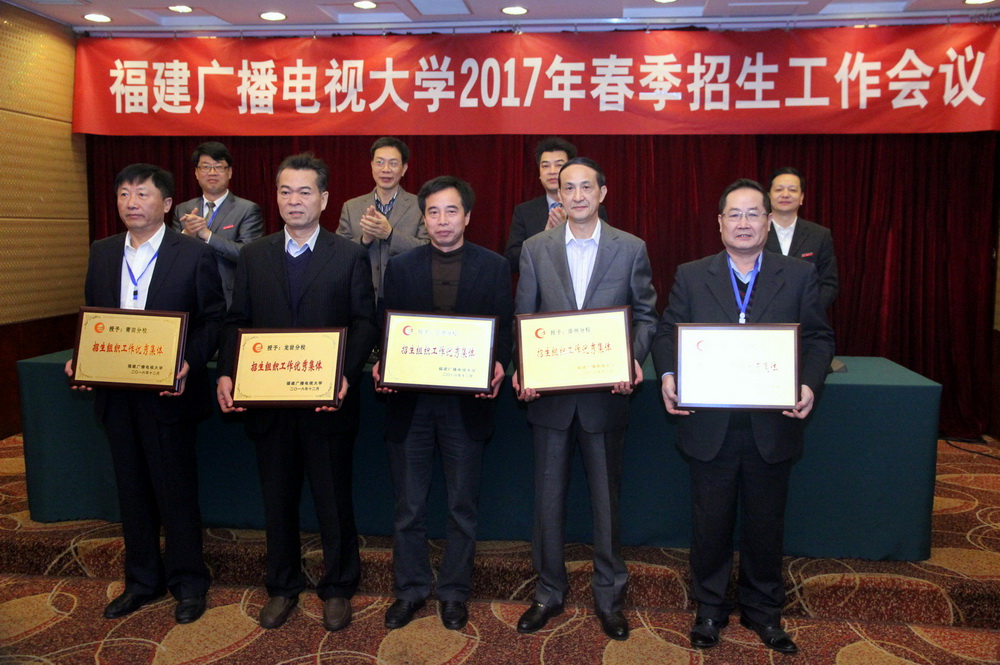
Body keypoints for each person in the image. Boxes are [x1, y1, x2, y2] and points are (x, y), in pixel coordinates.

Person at [652, 178, 834, 654]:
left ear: (768, 222)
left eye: (754, 213)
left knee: (765, 524)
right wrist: (668, 374)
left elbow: (818, 339)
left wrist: (809, 384)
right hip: (709, 424)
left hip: (772, 424)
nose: (744, 223)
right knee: (709, 523)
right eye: (734, 214)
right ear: (719, 223)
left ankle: (763, 612)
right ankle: (709, 609)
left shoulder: (798, 275)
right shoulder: (693, 274)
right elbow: (667, 332)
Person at [216, 152, 378, 632]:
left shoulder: (348, 254)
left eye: (305, 192)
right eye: (285, 191)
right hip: (269, 402)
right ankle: (282, 585)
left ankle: (338, 586)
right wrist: (227, 372)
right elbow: (237, 320)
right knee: (277, 498)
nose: (294, 200)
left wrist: (346, 373)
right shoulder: (254, 254)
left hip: (328, 401)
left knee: (333, 500)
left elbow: (364, 322)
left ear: (324, 199)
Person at [65, 163, 225, 624]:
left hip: (168, 396)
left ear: (167, 203)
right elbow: (94, 316)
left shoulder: (192, 254)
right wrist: (82, 357)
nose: (131, 203)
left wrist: (188, 360)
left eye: (142, 194)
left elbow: (213, 318)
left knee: (175, 491)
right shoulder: (102, 251)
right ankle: (141, 581)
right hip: (118, 394)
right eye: (123, 194)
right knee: (131, 490)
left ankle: (188, 582)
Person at [513, 157, 657, 641]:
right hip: (550, 399)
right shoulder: (535, 249)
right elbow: (524, 316)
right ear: (558, 194)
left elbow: (647, 315)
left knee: (606, 504)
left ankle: (609, 597)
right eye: (567, 188)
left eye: (585, 187)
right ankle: (548, 592)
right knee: (548, 500)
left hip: (604, 396)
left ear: (602, 193)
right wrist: (523, 368)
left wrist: (631, 359)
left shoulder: (630, 248)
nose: (576, 196)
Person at [372, 176, 513, 631]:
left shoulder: (493, 266)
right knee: (409, 506)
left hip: (466, 405)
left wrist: (499, 364)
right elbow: (386, 326)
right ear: (423, 219)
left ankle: (454, 592)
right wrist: (384, 361)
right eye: (433, 212)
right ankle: (410, 590)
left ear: (467, 217)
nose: (442, 220)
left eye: (451, 211)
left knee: (461, 506)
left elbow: (504, 330)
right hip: (410, 403)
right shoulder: (401, 266)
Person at [337, 136, 428, 308]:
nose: (386, 169)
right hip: (360, 299)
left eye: (393, 163)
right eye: (380, 162)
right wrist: (365, 240)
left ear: (404, 169)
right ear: (372, 166)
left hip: (406, 298)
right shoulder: (351, 207)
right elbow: (338, 254)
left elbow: (427, 250)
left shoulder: (420, 206)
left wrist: (390, 235)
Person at [171, 141, 263, 308]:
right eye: (206, 167)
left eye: (219, 167)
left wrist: (207, 235)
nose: (212, 172)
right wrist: (187, 234)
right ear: (196, 173)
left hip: (229, 298)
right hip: (189, 296)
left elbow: (249, 255)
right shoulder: (182, 209)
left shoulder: (247, 209)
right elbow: (171, 256)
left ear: (230, 172)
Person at [503, 137, 606, 273]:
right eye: (545, 166)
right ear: (539, 173)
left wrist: (566, 231)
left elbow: (603, 254)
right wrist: (545, 237)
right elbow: (511, 260)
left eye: (558, 165)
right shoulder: (525, 211)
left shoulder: (591, 208)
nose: (552, 171)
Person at [765, 167, 839, 309]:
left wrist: (808, 311)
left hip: (807, 317)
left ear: (801, 198)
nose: (785, 194)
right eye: (779, 189)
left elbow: (829, 284)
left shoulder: (819, 235)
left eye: (792, 190)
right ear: (769, 196)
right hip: (763, 317)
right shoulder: (755, 233)